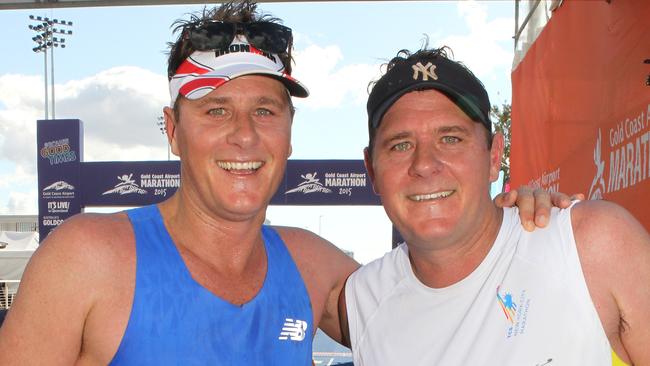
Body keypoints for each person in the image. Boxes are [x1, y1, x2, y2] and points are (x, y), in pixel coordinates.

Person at [0, 2, 572, 364]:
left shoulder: (310, 267)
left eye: (266, 112)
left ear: (291, 134)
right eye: (216, 111)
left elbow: (445, 298)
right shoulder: (87, 259)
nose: (245, 136)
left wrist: (512, 223)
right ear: (173, 131)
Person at [342, 45, 650, 365]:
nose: (424, 164)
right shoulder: (362, 298)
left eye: (451, 139)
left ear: (493, 155)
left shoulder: (591, 245)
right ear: (372, 169)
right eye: (400, 145)